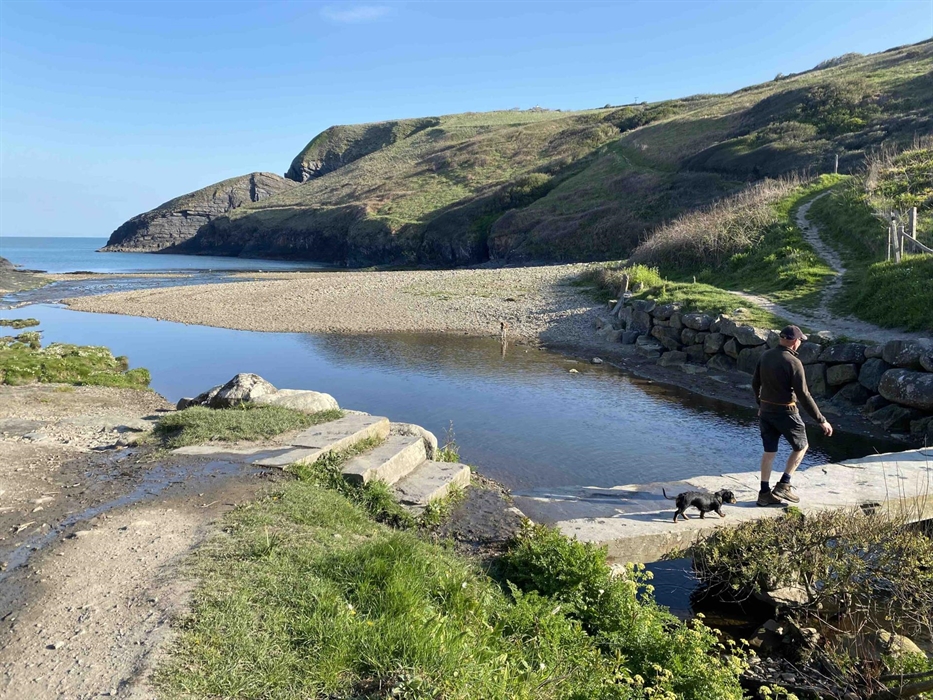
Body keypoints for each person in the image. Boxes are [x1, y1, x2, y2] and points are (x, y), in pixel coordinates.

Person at [752, 325, 833, 506]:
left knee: (769, 451)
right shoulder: (793, 362)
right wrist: (822, 420)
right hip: (786, 411)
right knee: (802, 446)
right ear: (795, 341)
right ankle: (784, 484)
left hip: (766, 411)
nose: (800, 344)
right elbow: (804, 394)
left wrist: (760, 404)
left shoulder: (765, 356)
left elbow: (755, 383)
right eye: (800, 341)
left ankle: (764, 493)